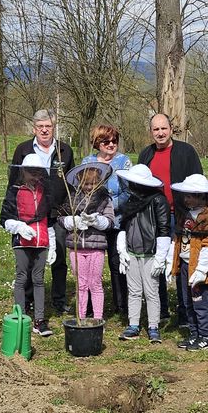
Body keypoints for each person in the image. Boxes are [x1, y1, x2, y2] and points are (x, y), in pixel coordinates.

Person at [138, 113, 203, 327]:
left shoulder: (186, 151)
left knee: (181, 264)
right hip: (154, 216)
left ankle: (185, 313)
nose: (160, 133)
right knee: (156, 262)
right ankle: (160, 310)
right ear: (151, 132)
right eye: (156, 129)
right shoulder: (146, 154)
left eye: (163, 128)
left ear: (171, 129)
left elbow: (198, 183)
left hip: (181, 215)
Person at [9, 110, 74, 314]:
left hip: (57, 212)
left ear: (53, 127)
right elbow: (13, 181)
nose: (44, 130)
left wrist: (67, 209)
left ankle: (59, 299)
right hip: (30, 215)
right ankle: (28, 299)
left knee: (59, 257)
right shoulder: (23, 149)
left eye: (48, 126)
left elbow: (71, 183)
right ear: (34, 128)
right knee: (29, 257)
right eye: (40, 126)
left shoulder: (64, 150)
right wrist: (15, 214)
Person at [1, 154, 56, 337]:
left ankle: (39, 320)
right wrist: (19, 227)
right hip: (22, 242)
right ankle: (21, 317)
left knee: (39, 279)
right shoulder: (15, 191)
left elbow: (49, 219)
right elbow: (5, 219)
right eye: (31, 172)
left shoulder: (44, 192)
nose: (34, 176)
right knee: (22, 277)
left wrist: (52, 243)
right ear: (23, 172)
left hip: (41, 241)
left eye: (37, 172)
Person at [81, 124, 132, 317]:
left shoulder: (123, 162)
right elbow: (82, 190)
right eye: (106, 141)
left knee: (116, 262)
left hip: (116, 221)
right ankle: (88, 305)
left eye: (114, 141)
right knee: (90, 264)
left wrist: (109, 206)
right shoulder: (88, 161)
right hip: (93, 221)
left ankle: (122, 304)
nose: (111, 144)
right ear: (97, 143)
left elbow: (128, 192)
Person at [115, 164, 171, 343]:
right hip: (132, 253)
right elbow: (123, 225)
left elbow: (163, 228)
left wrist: (161, 257)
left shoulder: (158, 200)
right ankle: (133, 325)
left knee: (151, 291)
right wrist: (122, 249)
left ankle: (153, 326)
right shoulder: (131, 200)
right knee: (133, 291)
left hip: (151, 254)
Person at [170, 174, 208, 351]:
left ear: (202, 196)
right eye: (185, 195)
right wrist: (171, 261)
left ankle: (205, 337)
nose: (186, 199)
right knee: (187, 302)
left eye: (190, 196)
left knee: (199, 302)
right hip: (185, 264)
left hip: (199, 266)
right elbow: (178, 239)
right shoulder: (186, 214)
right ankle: (194, 334)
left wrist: (201, 270)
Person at [61, 164, 115, 322]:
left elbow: (110, 221)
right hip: (76, 247)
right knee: (81, 284)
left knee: (95, 283)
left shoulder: (104, 199)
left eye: (93, 184)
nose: (90, 187)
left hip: (96, 247)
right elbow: (61, 217)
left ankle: (97, 317)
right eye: (86, 184)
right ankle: (81, 317)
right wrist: (74, 221)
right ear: (80, 182)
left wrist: (97, 221)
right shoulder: (72, 197)